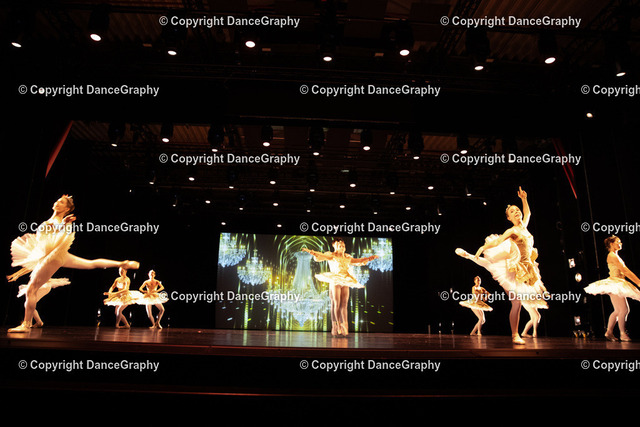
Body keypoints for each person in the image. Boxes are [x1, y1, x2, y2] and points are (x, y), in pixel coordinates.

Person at [6, 195, 140, 332]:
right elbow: (37, 258)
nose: (57, 202)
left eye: (61, 202)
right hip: (58, 255)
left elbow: (57, 230)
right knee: (90, 264)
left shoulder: (57, 221)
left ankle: (26, 324)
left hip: (52, 256)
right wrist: (18, 274)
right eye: (57, 200)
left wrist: (64, 224)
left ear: (67, 209)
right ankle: (121, 263)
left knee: (31, 289)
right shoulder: (55, 221)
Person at [455, 187, 548, 344]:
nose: (516, 212)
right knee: (515, 301)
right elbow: (498, 241)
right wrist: (483, 247)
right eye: (512, 211)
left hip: (526, 268)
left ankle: (518, 334)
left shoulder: (524, 227)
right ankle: (515, 335)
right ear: (509, 218)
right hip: (513, 268)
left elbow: (528, 213)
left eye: (517, 210)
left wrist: (524, 199)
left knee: (519, 302)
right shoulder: (512, 231)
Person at [302, 239, 377, 336]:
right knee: (336, 303)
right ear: (335, 247)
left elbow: (357, 261)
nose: (342, 247)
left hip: (346, 279)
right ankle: (336, 325)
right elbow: (322, 255)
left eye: (343, 245)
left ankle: (345, 325)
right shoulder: (332, 256)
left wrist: (369, 258)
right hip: (336, 279)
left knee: (344, 304)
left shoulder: (347, 257)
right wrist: (311, 252)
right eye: (340, 245)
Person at [584, 235, 640, 341]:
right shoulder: (612, 256)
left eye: (620, 242)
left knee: (618, 310)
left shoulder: (615, 255)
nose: (620, 244)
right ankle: (622, 333)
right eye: (618, 242)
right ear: (611, 244)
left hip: (617, 283)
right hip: (615, 283)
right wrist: (638, 282)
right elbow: (625, 270)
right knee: (624, 310)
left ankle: (609, 331)